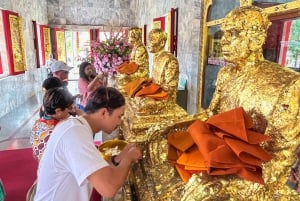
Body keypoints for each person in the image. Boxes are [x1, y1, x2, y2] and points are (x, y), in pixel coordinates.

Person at [128, 6, 300, 200]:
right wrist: (170, 125)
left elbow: (279, 159)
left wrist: (229, 183)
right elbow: (210, 115)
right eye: (224, 33)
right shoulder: (225, 74)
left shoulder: (287, 84)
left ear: (257, 40)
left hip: (250, 167)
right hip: (215, 148)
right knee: (155, 148)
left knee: (198, 192)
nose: (224, 40)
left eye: (233, 34)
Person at [34, 87, 142, 200]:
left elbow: (97, 168)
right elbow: (109, 188)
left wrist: (118, 159)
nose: (120, 122)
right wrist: (129, 158)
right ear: (104, 112)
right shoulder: (74, 133)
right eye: (119, 116)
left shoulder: (77, 126)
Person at [31, 87, 78, 161]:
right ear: (58, 111)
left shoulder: (37, 123)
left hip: (42, 165)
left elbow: (35, 153)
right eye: (69, 108)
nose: (71, 110)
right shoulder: (61, 129)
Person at [116, 27, 149, 94]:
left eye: (130, 36)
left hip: (141, 72)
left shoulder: (140, 49)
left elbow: (137, 66)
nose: (128, 37)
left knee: (123, 77)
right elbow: (132, 63)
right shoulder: (135, 46)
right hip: (135, 69)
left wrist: (126, 71)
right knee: (120, 75)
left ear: (135, 36)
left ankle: (127, 95)